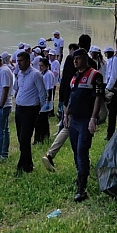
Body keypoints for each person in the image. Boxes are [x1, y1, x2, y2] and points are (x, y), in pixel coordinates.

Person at [42, 36, 97, 171]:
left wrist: (63, 99)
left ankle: (54, 155)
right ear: (89, 45)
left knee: (67, 126)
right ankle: (52, 154)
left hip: (69, 99)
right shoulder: (91, 63)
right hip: (82, 105)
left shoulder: (69, 59)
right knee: (69, 128)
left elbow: (65, 79)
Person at [64, 48, 105, 202]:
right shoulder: (74, 76)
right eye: (74, 59)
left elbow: (98, 98)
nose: (76, 61)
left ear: (85, 59)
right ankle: (81, 174)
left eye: (79, 59)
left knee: (82, 150)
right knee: (76, 150)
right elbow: (71, 97)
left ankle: (82, 188)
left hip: (85, 120)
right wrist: (66, 115)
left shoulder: (95, 75)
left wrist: (93, 118)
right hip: (73, 119)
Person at [13, 51, 47, 174]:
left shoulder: (35, 74)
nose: (19, 64)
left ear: (28, 61)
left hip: (30, 109)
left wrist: (39, 109)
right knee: (20, 138)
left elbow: (43, 93)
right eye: (18, 61)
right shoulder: (20, 74)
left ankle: (23, 166)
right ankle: (27, 163)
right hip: (19, 108)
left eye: (21, 61)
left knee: (25, 138)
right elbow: (17, 89)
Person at [33, 57, 55, 144]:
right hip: (42, 100)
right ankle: (42, 137)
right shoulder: (43, 74)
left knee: (41, 121)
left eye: (42, 66)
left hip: (45, 101)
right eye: (39, 66)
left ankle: (40, 138)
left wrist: (47, 102)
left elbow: (49, 89)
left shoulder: (48, 75)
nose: (40, 67)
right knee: (42, 121)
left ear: (46, 66)